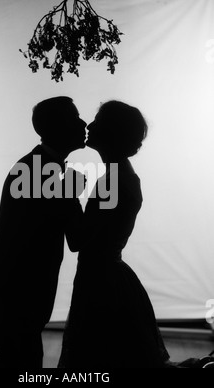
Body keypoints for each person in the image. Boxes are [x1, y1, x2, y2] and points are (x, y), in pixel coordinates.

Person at [0, 96, 87, 368]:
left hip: (12, 299)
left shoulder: (34, 167)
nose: (83, 123)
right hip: (16, 302)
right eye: (75, 118)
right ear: (58, 127)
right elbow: (77, 239)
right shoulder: (42, 174)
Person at [58, 100, 170, 369]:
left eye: (98, 120)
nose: (90, 125)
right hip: (109, 278)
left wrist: (67, 194)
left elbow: (77, 240)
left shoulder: (113, 180)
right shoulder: (120, 176)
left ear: (111, 131)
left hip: (100, 284)